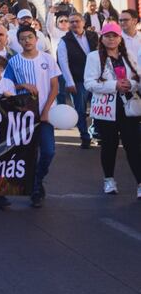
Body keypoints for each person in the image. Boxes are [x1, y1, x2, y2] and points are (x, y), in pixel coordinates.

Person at [83, 22, 141, 199]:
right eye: (107, 36)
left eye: (114, 36)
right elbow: (89, 83)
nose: (111, 39)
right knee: (109, 145)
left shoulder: (128, 55)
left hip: (127, 108)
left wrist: (129, 84)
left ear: (119, 38)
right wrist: (113, 85)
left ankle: (140, 183)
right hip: (106, 109)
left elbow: (137, 79)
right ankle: (109, 179)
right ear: (102, 38)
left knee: (134, 146)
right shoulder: (93, 57)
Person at [7, 25, 60, 208]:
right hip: (24, 116)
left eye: (30, 37)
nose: (27, 41)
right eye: (23, 38)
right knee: (24, 153)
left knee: (48, 151)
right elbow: (8, 86)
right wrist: (23, 86)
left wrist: (46, 110)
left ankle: (38, 179)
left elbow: (55, 86)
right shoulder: (14, 62)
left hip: (45, 114)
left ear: (36, 38)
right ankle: (33, 189)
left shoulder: (47, 59)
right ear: (18, 41)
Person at [57, 12, 98, 149]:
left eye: (77, 21)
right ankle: (85, 137)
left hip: (96, 79)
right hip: (78, 80)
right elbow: (63, 62)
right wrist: (69, 82)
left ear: (83, 22)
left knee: (98, 108)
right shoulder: (65, 40)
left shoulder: (93, 36)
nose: (74, 24)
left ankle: (96, 132)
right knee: (80, 110)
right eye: (72, 21)